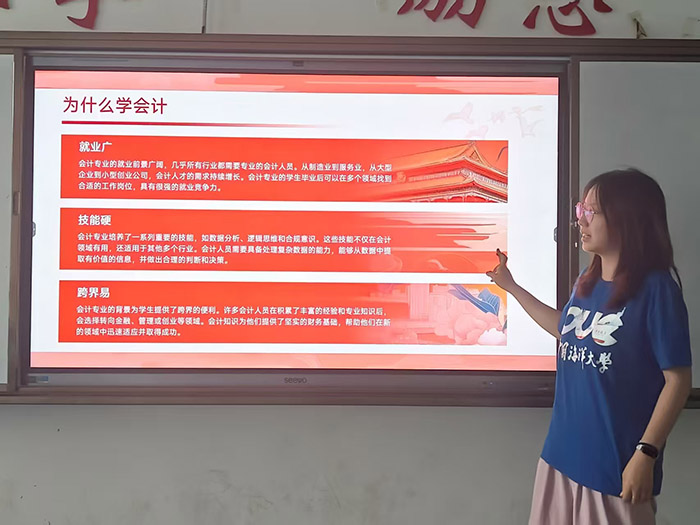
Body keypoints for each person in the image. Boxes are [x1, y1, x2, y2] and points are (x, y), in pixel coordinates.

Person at [486, 169, 692, 525]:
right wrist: (512, 287)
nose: (580, 220)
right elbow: (564, 329)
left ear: (626, 218)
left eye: (591, 211)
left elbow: (678, 381)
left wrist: (646, 453)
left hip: (614, 470)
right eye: (581, 209)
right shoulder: (587, 280)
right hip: (561, 457)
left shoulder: (657, 290)